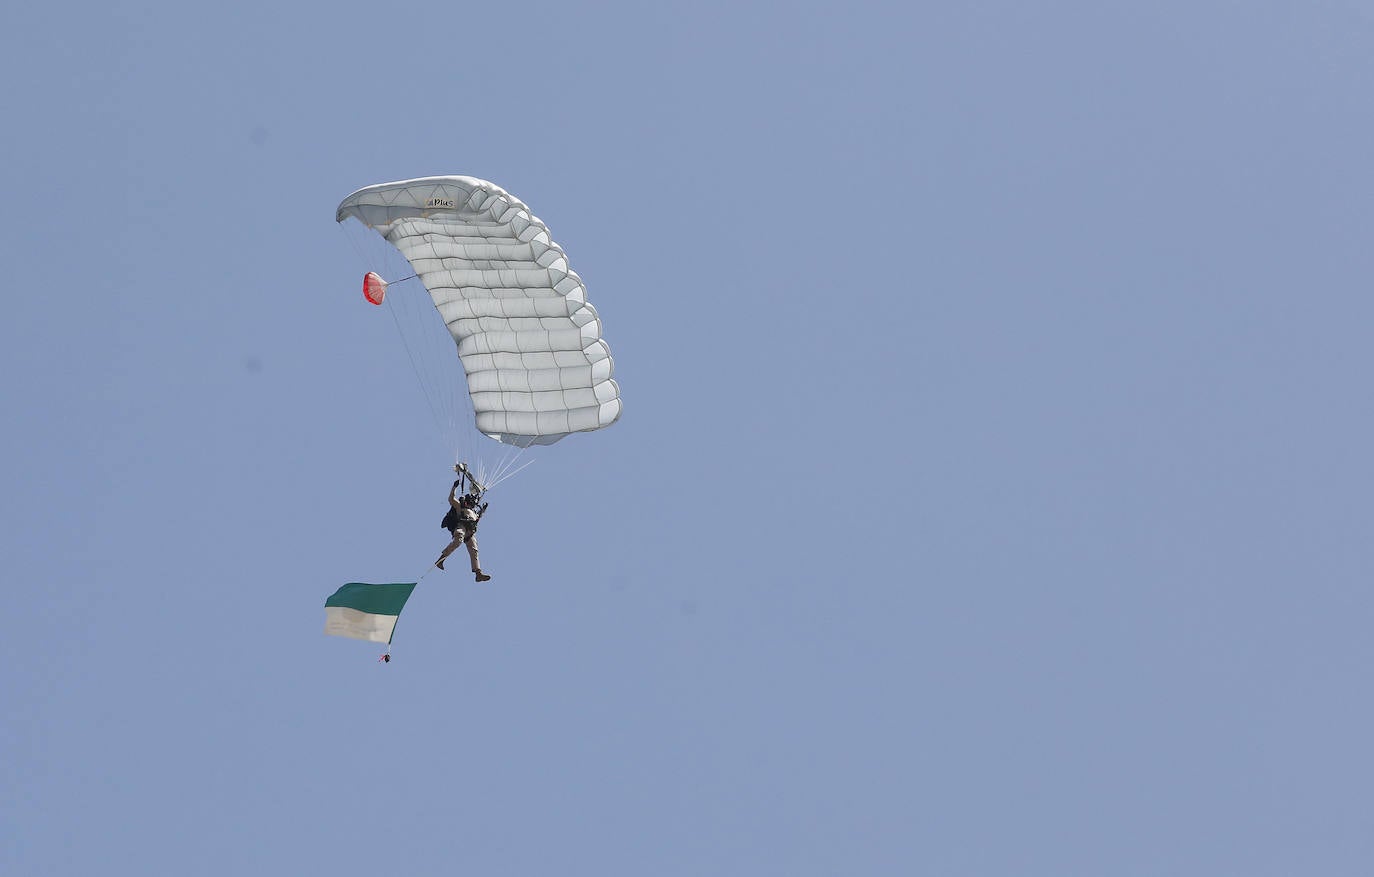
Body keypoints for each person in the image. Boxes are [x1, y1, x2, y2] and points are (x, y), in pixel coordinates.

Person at [436, 478, 491, 581]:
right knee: (457, 541)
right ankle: (440, 560)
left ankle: (478, 573)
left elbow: (477, 518)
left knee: (474, 551)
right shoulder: (460, 507)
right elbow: (451, 499)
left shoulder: (474, 512)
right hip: (461, 527)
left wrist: (483, 510)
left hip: (470, 533)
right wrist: (454, 487)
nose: (473, 503)